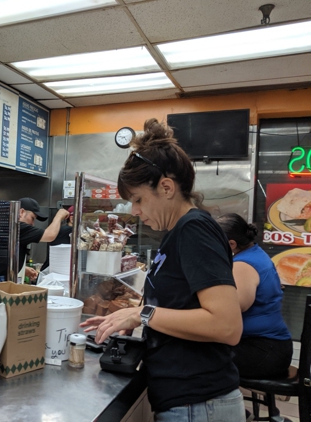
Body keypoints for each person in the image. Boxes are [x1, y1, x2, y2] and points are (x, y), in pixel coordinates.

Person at [80, 118, 245, 421]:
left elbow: (227, 326)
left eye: (139, 199)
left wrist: (141, 315)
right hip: (186, 401)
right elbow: (180, 304)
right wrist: (131, 316)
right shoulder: (177, 233)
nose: (136, 211)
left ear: (166, 187)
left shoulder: (195, 230)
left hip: (200, 404)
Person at [215, 213, 293, 379]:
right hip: (270, 347)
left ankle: (219, 404)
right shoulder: (254, 253)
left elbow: (235, 307)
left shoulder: (243, 265)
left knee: (196, 358)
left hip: (264, 350)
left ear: (231, 244)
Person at [18, 197, 69, 282]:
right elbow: (50, 235)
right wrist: (59, 216)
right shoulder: (19, 227)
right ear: (21, 212)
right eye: (32, 218)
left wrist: (22, 269)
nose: (32, 224)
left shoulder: (10, 227)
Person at [41, 206, 74, 271]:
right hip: (53, 272)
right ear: (72, 218)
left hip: (55, 271)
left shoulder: (63, 230)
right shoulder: (66, 230)